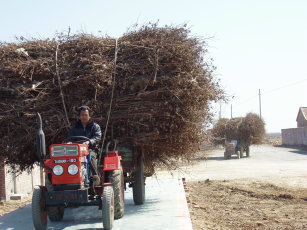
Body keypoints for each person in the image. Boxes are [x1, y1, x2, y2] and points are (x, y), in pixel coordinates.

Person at [68, 106, 101, 181]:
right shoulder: (74, 128)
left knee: (90, 156)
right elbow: (70, 138)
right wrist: (69, 142)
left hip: (90, 149)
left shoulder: (95, 126)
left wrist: (89, 141)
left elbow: (97, 137)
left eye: (86, 115)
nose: (84, 117)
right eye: (82, 115)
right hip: (76, 151)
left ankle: (95, 177)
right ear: (79, 116)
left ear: (89, 116)